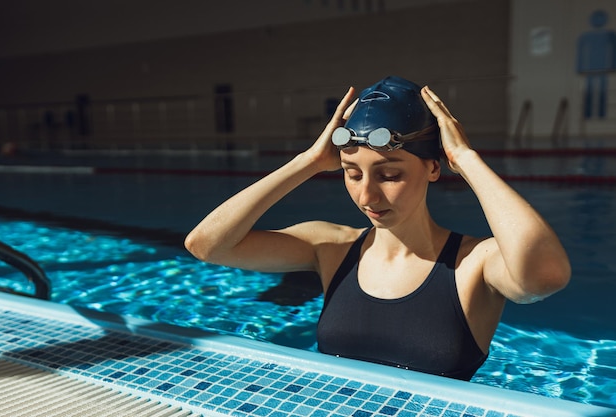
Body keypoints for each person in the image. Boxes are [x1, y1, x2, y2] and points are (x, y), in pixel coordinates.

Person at [184, 76, 571, 381]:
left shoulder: (474, 263)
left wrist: (466, 159)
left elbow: (545, 275)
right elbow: (207, 245)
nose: (367, 195)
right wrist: (308, 162)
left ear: (433, 167)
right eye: (352, 174)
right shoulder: (330, 247)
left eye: (389, 174)